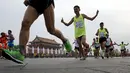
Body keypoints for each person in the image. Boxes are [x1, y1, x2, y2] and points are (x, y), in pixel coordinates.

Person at [2, 0, 72, 64]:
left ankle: (64, 40)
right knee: (25, 23)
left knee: (51, 29)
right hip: (35, 1)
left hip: (47, 2)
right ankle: (20, 53)